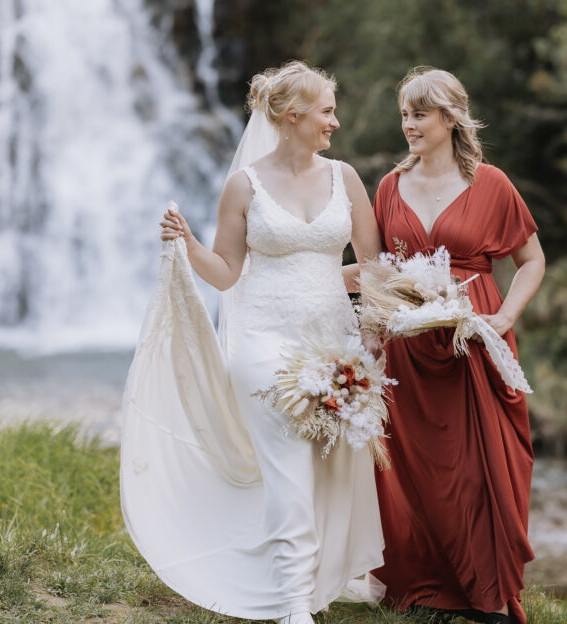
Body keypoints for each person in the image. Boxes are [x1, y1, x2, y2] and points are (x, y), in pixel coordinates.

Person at [120, 61, 385, 624]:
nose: (335, 122)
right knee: (289, 463)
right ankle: (293, 607)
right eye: (327, 111)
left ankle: (308, 576)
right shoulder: (245, 184)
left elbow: (372, 265)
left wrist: (372, 336)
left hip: (335, 343)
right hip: (263, 342)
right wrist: (189, 243)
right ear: (293, 117)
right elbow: (225, 273)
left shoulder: (347, 179)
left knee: (329, 468)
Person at [369, 67, 545, 624]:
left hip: (473, 346)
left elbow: (533, 260)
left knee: (480, 470)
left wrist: (503, 316)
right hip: (409, 353)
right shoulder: (389, 187)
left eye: (419, 114)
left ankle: (487, 593)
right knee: (414, 470)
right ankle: (425, 588)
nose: (409, 125)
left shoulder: (491, 183)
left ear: (450, 118)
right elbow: (378, 273)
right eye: (404, 115)